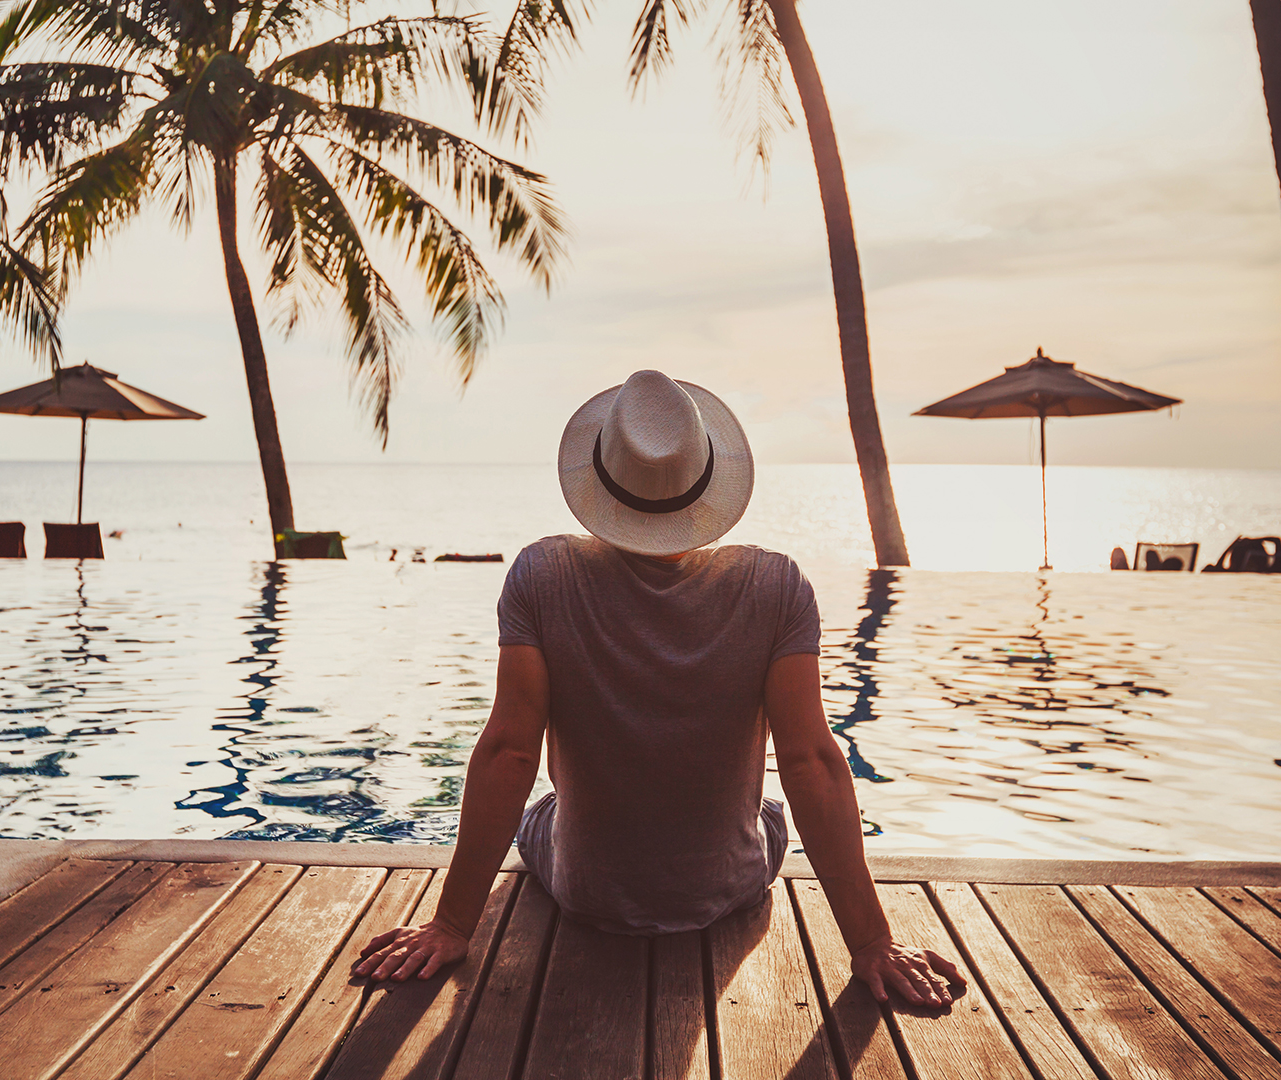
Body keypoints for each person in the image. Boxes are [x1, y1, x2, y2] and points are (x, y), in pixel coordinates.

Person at [356, 370, 964, 1006]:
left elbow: (510, 752)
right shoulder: (777, 586)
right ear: (707, 481)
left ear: (600, 478)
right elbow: (812, 761)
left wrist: (451, 924)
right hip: (726, 887)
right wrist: (871, 942)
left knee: (543, 808)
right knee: (772, 811)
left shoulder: (543, 574)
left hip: (585, 890)